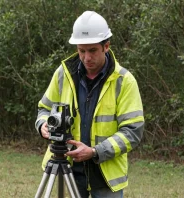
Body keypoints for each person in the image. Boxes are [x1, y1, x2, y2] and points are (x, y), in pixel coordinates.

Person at [35, 10, 144, 198]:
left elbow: (133, 131)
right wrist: (43, 124)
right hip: (67, 170)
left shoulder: (124, 81)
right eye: (81, 50)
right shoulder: (63, 74)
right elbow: (44, 109)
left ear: (106, 46)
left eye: (92, 50)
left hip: (105, 178)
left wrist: (94, 151)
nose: (86, 57)